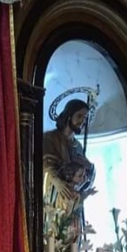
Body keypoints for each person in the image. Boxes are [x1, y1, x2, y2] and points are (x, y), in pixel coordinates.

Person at [43, 98, 96, 232]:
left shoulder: (78, 146)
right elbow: (45, 164)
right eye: (79, 116)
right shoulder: (50, 138)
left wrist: (90, 167)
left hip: (73, 203)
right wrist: (57, 181)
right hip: (54, 199)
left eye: (85, 118)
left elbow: (85, 180)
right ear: (69, 115)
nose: (82, 121)